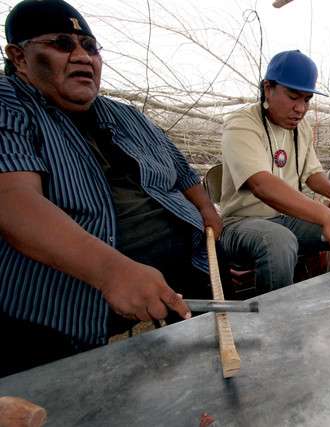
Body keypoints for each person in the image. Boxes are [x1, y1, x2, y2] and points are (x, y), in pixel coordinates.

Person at [0, 0, 223, 377]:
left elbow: (183, 173)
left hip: (184, 265)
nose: (82, 57)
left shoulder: (124, 114)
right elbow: (13, 201)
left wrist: (207, 213)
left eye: (89, 46)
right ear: (19, 57)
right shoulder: (11, 102)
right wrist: (112, 272)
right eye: (62, 44)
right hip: (64, 296)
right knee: (60, 399)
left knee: (213, 365)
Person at [220, 50, 330, 293]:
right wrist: (326, 217)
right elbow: (261, 185)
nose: (301, 108)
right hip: (242, 222)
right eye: (293, 97)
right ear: (268, 88)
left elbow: (311, 173)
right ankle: (276, 322)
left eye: (307, 100)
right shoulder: (242, 124)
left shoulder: (301, 128)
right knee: (278, 241)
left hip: (288, 219)